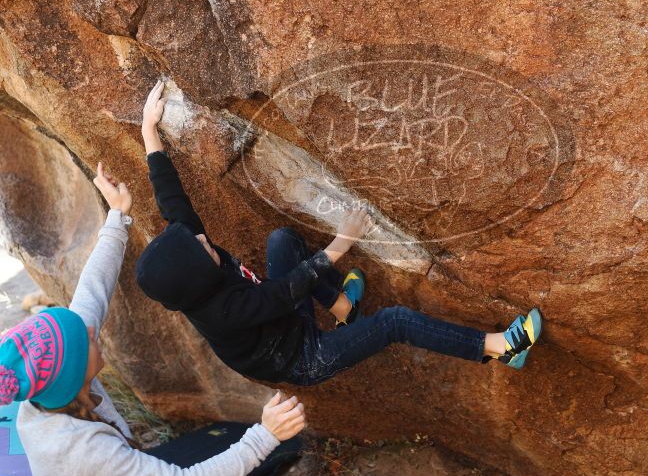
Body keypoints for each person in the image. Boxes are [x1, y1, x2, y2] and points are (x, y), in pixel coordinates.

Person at [135, 80, 543, 387]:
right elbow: (283, 292)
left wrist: (149, 132)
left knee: (283, 240)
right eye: (198, 246)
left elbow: (173, 204)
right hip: (302, 356)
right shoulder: (221, 311)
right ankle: (501, 349)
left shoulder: (191, 262)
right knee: (393, 322)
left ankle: (343, 309)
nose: (202, 238)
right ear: (197, 279)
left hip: (282, 320)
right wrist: (341, 243)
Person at [0, 164, 305, 476]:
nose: (92, 331)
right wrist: (265, 437)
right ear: (74, 375)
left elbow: (90, 296)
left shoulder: (55, 390)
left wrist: (117, 218)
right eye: (87, 340)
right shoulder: (80, 451)